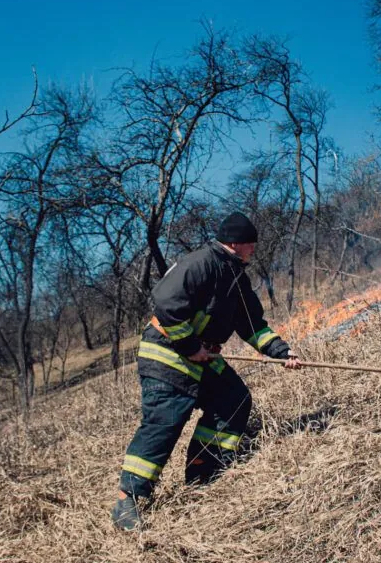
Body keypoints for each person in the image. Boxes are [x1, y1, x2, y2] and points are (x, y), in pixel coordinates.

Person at [112, 211, 302, 531]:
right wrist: (190, 347)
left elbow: (252, 325)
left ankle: (204, 474)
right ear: (235, 243)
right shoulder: (199, 264)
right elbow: (166, 305)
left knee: (234, 399)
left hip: (201, 357)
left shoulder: (236, 278)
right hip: (168, 354)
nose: (253, 249)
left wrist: (282, 352)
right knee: (166, 420)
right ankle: (126, 500)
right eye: (250, 244)